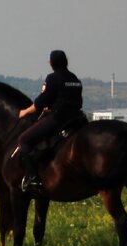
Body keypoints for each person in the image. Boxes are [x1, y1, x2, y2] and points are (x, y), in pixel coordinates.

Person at [15, 49, 83, 194]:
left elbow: (41, 102)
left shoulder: (52, 78)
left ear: (51, 63)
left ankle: (33, 179)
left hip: (59, 119)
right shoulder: (75, 79)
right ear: (66, 62)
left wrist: (24, 112)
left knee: (24, 140)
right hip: (77, 119)